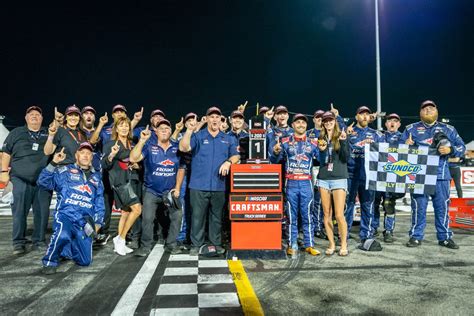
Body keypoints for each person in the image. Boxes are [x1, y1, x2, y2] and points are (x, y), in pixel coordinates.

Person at [401, 100, 466, 249]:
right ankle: (416, 236)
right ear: (420, 112)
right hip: (418, 177)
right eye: (425, 108)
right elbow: (396, 150)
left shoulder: (448, 129)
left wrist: (451, 151)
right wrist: (405, 146)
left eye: (431, 108)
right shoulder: (410, 129)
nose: (428, 110)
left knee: (442, 207)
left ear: (437, 111)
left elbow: (461, 147)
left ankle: (444, 237)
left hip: (441, 176)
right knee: (418, 208)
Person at [179, 106, 240, 256]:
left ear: (221, 120)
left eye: (217, 117)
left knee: (216, 217)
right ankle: (196, 245)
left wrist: (228, 163)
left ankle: (216, 244)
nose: (214, 119)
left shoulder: (228, 138)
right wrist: (189, 130)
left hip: (219, 186)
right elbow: (183, 147)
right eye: (211, 117)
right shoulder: (198, 136)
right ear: (206, 119)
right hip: (198, 186)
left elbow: (236, 156)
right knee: (197, 217)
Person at [38, 142, 105, 274]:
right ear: (76, 155)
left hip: (84, 221)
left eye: (88, 153)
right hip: (65, 214)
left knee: (85, 261)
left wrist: (97, 222)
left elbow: (99, 202)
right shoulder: (64, 171)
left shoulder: (97, 178)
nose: (85, 156)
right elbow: (42, 182)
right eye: (82, 153)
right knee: (63, 234)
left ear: (92, 157)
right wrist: (53, 163)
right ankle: (50, 261)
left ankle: (66, 248)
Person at [1, 106, 52, 254]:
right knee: (19, 212)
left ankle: (39, 240)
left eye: (38, 114)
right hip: (20, 178)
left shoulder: (48, 133)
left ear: (42, 119)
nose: (34, 116)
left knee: (42, 212)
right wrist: (4, 171)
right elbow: (6, 152)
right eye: (31, 114)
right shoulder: (16, 133)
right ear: (26, 118)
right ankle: (18, 242)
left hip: (42, 181)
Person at [130, 119, 186, 256]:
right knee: (147, 218)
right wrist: (142, 141)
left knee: (177, 215)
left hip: (169, 191)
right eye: (161, 129)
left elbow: (181, 169)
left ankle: (171, 245)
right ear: (156, 131)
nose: (164, 131)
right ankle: (145, 246)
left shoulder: (176, 147)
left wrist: (177, 187)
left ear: (171, 131)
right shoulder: (149, 146)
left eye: (167, 128)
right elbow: (133, 158)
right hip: (151, 191)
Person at [271, 113, 321, 258]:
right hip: (291, 183)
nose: (301, 125)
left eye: (303, 123)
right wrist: (275, 153)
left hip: (306, 183)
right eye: (297, 122)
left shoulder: (314, 143)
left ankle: (309, 244)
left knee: (307, 215)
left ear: (306, 125)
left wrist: (323, 152)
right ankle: (292, 244)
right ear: (292, 125)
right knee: (291, 217)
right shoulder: (284, 142)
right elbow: (275, 161)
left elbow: (323, 160)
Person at [102, 117, 142, 255]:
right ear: (116, 129)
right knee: (137, 209)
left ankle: (120, 243)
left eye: (127, 126)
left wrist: (137, 165)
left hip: (132, 180)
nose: (124, 128)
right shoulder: (110, 143)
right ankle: (121, 238)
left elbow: (134, 159)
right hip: (120, 182)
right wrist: (112, 154)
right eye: (121, 126)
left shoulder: (131, 144)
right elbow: (104, 165)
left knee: (125, 212)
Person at [346, 106, 384, 251]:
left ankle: (366, 234)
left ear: (370, 117)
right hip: (351, 175)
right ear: (356, 117)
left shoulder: (377, 134)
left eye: (367, 114)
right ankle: (345, 233)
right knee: (348, 205)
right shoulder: (349, 131)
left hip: (369, 176)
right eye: (361, 114)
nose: (364, 117)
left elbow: (385, 154)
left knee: (368, 206)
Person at [317, 111, 350, 256]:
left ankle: (343, 244)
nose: (328, 122)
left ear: (335, 121)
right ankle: (331, 244)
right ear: (323, 123)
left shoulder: (341, 135)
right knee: (326, 214)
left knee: (339, 215)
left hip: (339, 178)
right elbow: (321, 160)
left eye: (331, 120)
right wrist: (322, 151)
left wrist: (343, 142)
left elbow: (345, 158)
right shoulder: (321, 137)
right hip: (323, 178)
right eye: (326, 121)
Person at [372, 113, 405, 243]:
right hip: (377, 176)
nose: (392, 123)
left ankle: (389, 231)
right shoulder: (378, 135)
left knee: (389, 204)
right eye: (389, 120)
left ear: (399, 124)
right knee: (374, 203)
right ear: (385, 124)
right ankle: (373, 228)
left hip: (393, 178)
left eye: (395, 121)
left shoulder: (404, 137)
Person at [80, 106, 102, 172]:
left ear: (94, 118)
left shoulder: (101, 132)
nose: (89, 116)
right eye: (86, 113)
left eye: (91, 114)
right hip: (79, 170)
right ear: (81, 117)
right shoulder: (76, 131)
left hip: (97, 170)